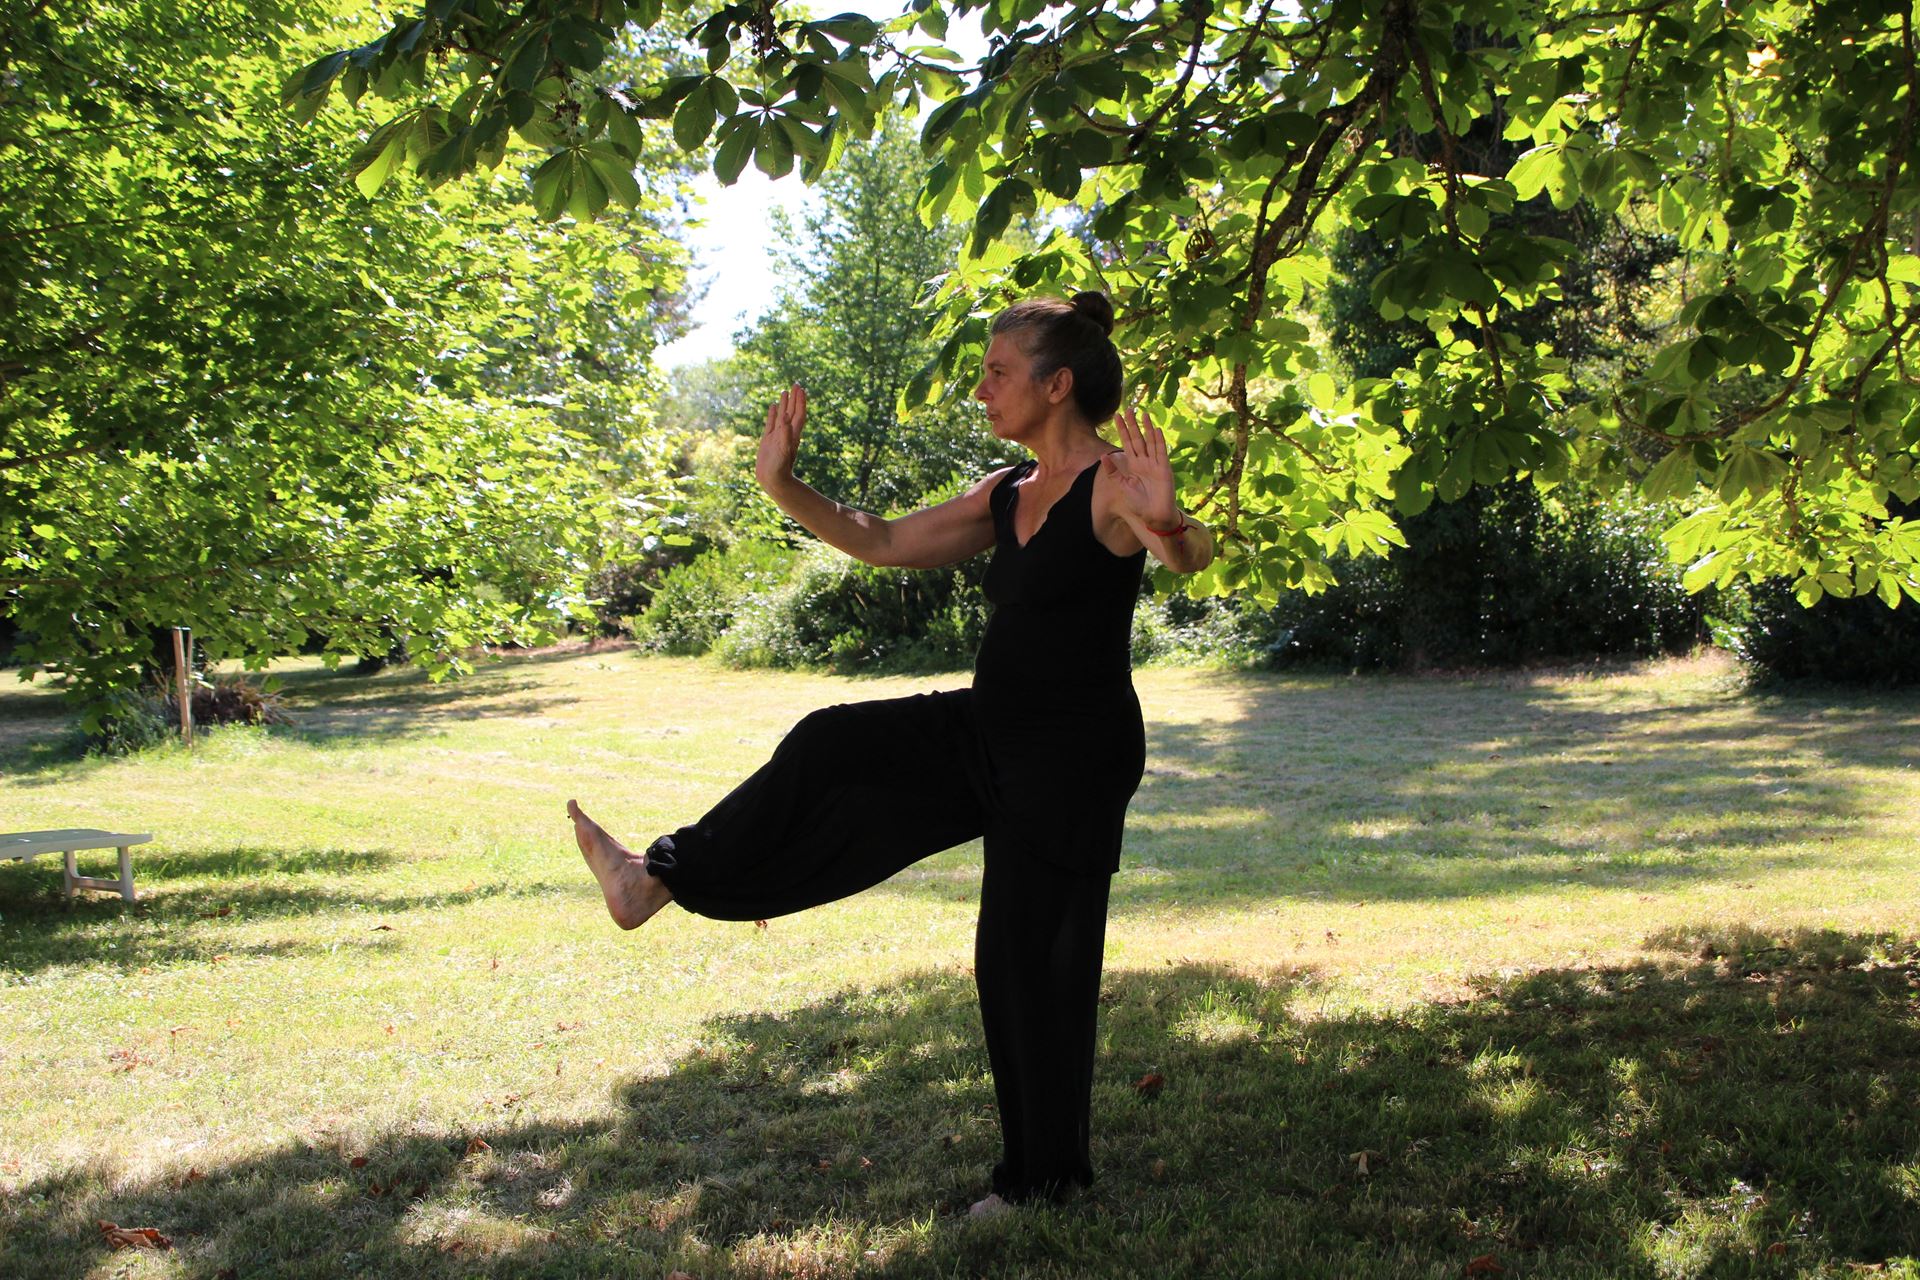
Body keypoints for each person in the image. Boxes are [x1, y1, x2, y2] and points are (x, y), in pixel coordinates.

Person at [568, 290, 1214, 1215]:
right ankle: (655, 878)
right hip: (989, 730)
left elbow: (1186, 557)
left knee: (1028, 961)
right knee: (833, 744)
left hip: (1071, 756)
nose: (983, 390)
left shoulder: (1116, 483)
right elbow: (881, 540)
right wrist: (781, 486)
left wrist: (1173, 522)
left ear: (1056, 383)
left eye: (998, 373)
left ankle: (1043, 1182)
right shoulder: (1007, 494)